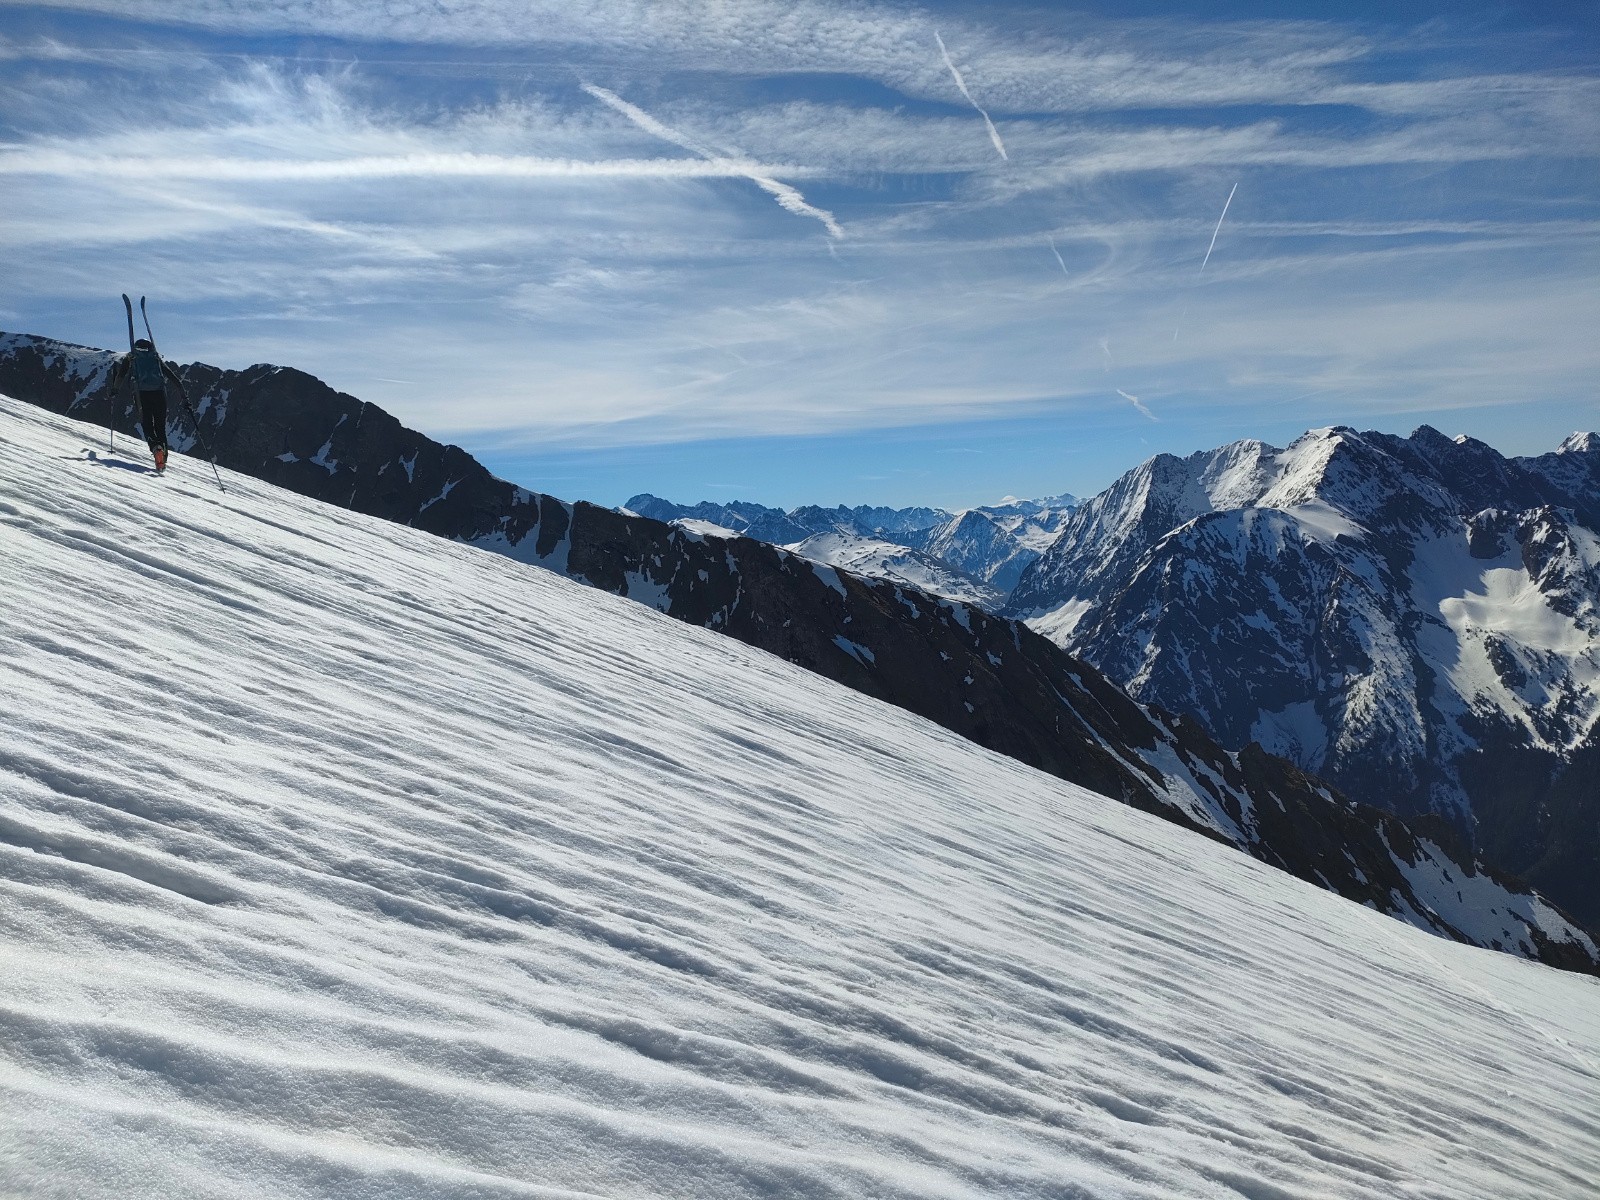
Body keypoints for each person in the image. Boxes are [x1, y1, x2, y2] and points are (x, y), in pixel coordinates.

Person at [110, 337, 186, 471]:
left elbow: (121, 375)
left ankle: (155, 447)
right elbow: (171, 376)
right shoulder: (155, 357)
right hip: (160, 394)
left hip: (142, 394)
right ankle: (163, 461)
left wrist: (115, 390)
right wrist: (183, 395)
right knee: (160, 427)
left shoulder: (132, 357)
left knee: (147, 425)